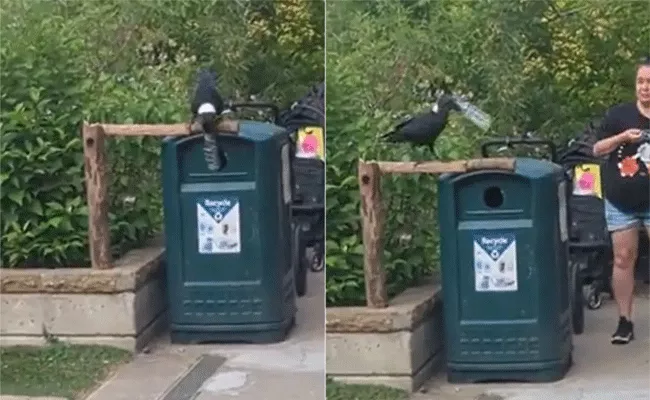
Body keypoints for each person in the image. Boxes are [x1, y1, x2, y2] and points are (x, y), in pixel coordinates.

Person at [592, 56, 650, 344]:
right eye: (640, 82)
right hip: (620, 200)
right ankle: (624, 321)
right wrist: (622, 138)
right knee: (623, 259)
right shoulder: (619, 115)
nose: (645, 88)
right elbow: (597, 149)